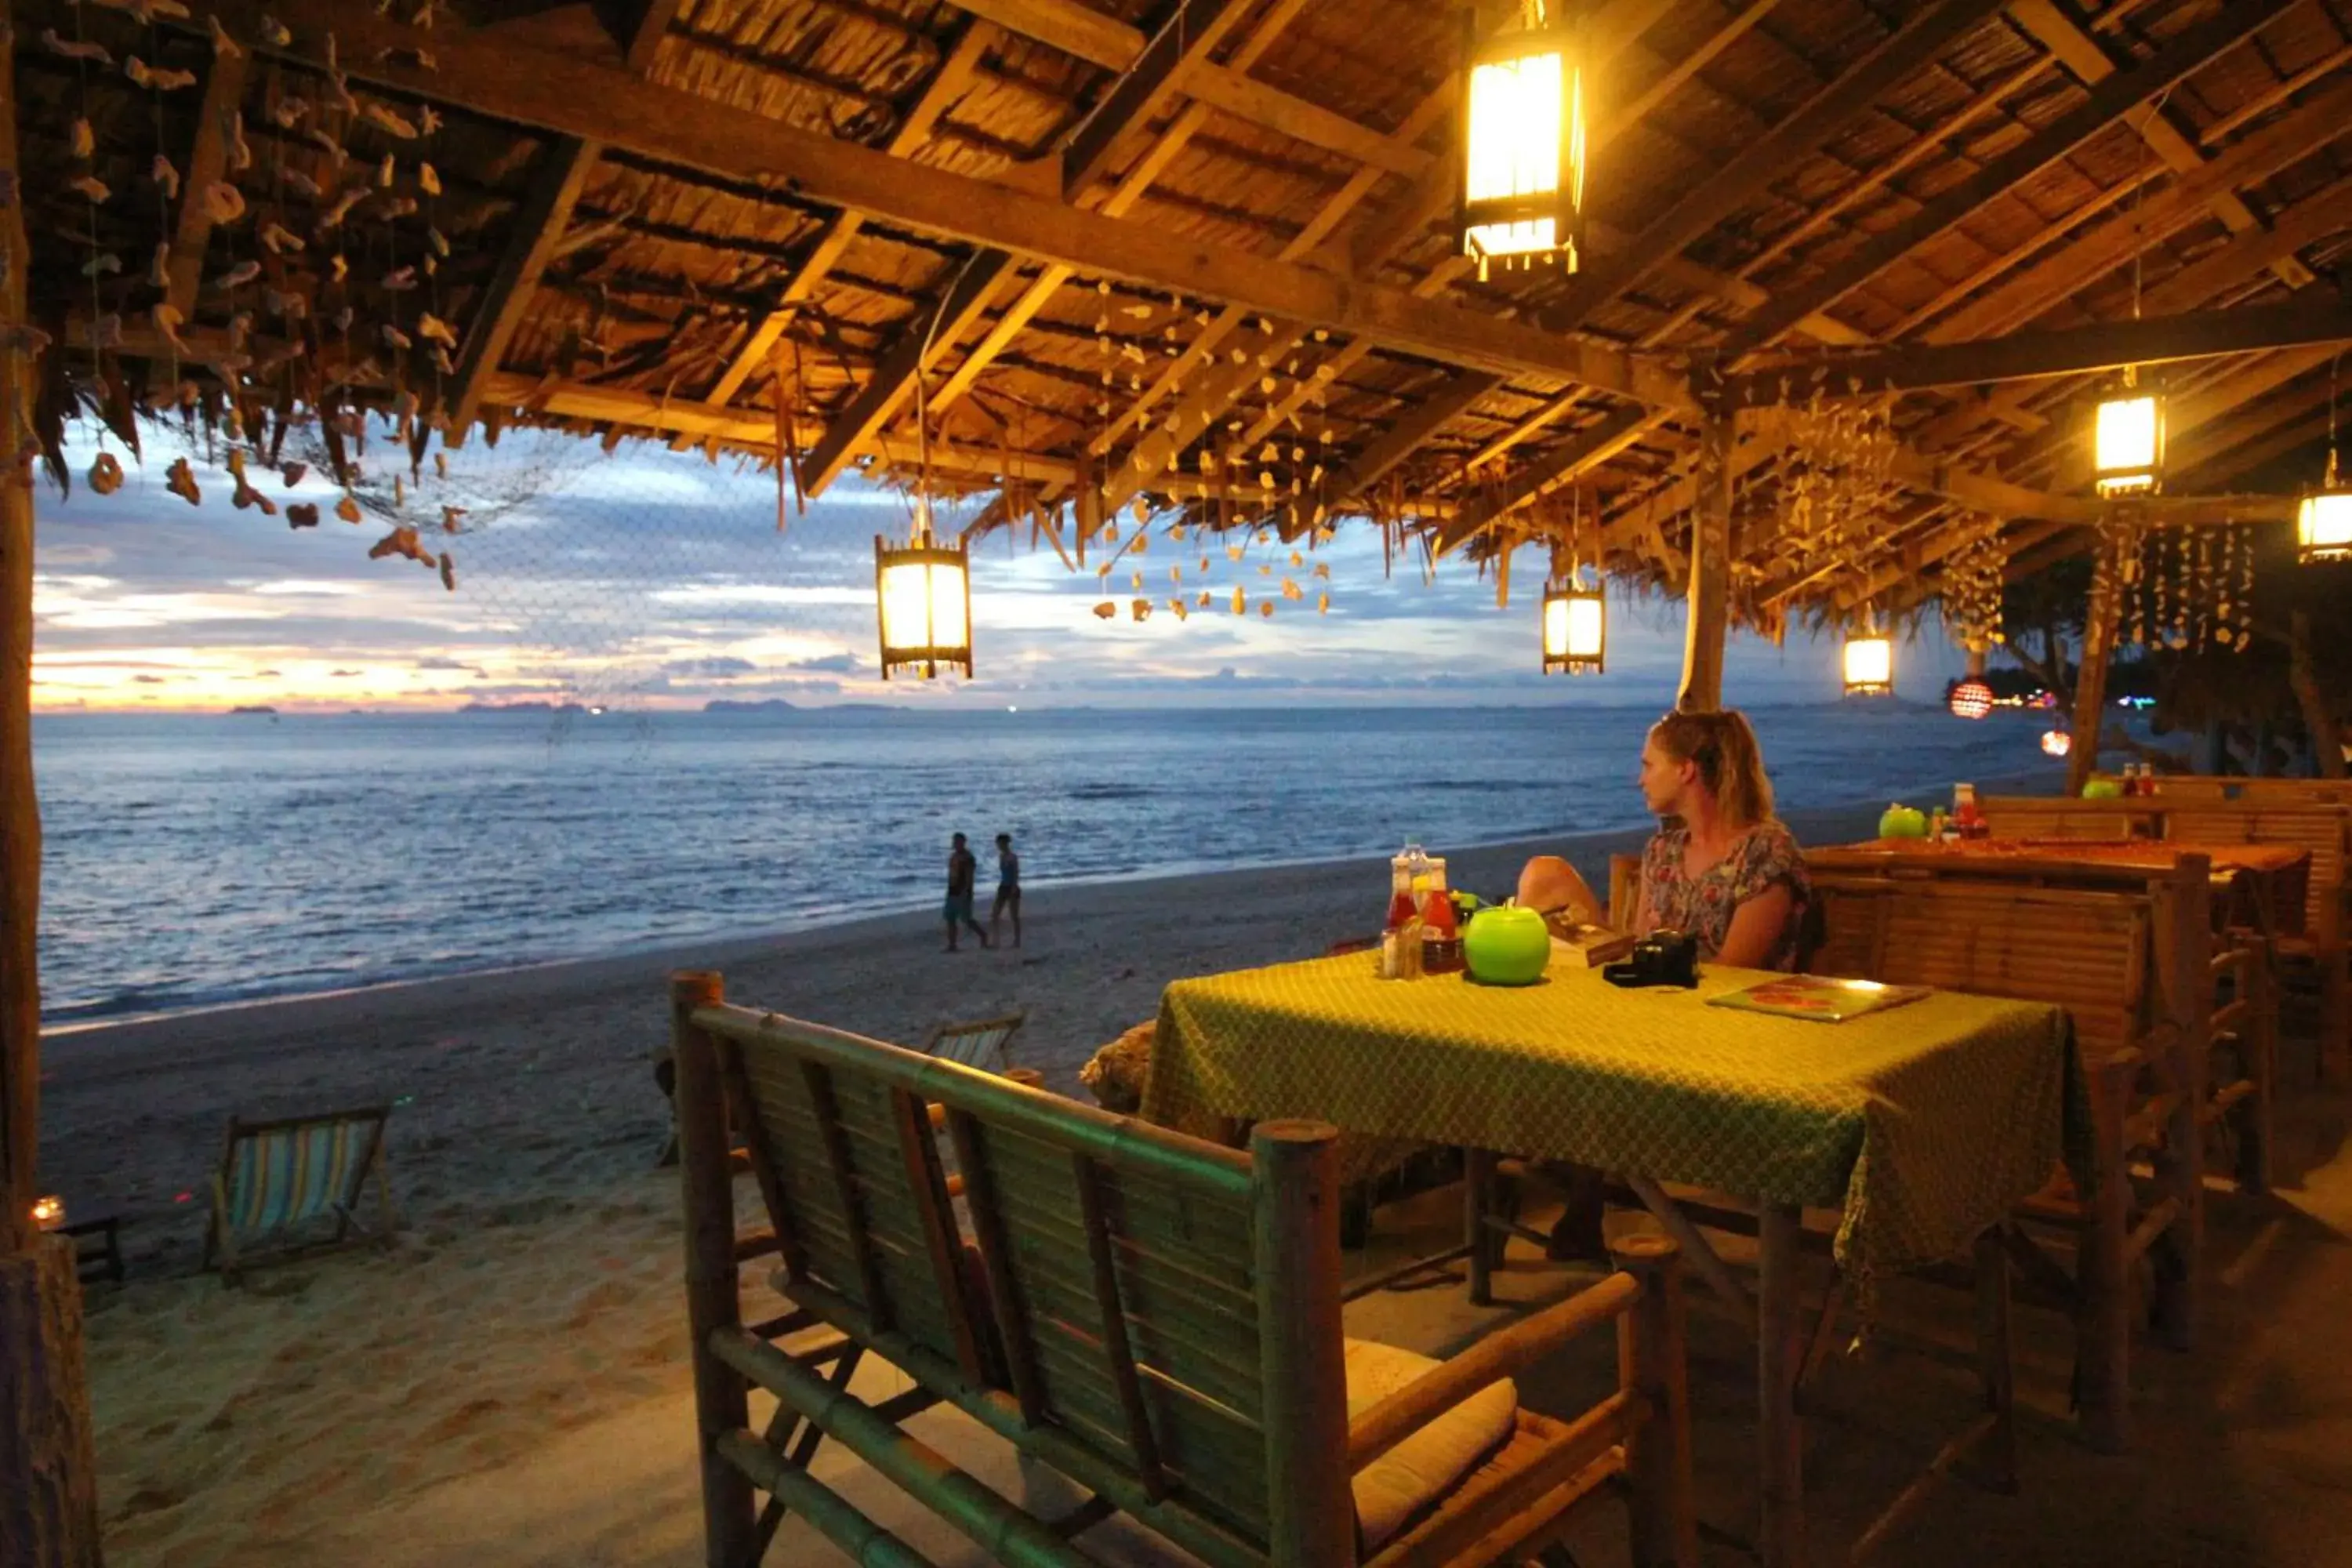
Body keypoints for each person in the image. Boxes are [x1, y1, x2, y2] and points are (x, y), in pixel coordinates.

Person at [1629, 708, 1812, 971]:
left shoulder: (1763, 853)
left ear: (1685, 770)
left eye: (1649, 766)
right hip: (1662, 1000)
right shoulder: (1661, 852)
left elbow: (1733, 972)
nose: (1640, 781)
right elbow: (1642, 951)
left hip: (1737, 1007)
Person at [943, 833, 990, 953]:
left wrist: (967, 892)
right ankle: (952, 945)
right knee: (950, 917)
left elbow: (969, 877)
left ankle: (983, 935)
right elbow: (951, 874)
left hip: (963, 891)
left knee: (967, 919)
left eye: (958, 842)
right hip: (952, 891)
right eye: (955, 842)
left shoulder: (968, 857)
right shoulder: (953, 857)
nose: (956, 844)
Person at [990, 832, 1022, 949]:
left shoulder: (1012, 857)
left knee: (1014, 915)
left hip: (1011, 886)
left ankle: (1017, 940)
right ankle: (996, 940)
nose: (998, 846)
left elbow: (1015, 873)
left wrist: (1014, 886)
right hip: (1003, 886)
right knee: (995, 914)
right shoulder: (1002, 857)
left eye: (1000, 843)